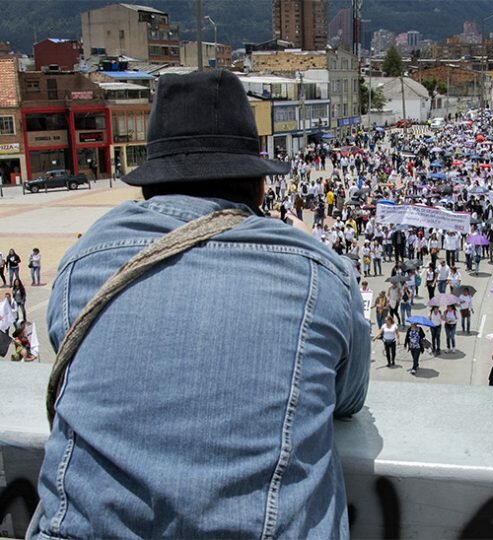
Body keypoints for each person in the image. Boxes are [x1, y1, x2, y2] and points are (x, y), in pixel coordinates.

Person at [31, 70, 370, 539]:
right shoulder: (319, 271)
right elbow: (350, 395)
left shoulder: (82, 264)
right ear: (258, 187)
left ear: (150, 186)